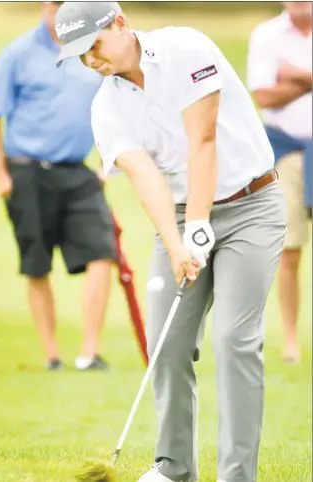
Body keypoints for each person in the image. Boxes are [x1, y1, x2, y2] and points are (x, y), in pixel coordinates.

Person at [55, 2, 287, 482]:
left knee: (233, 340)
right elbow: (145, 178)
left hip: (251, 204)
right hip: (179, 214)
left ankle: (237, 474)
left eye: (93, 45)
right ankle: (174, 468)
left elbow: (202, 139)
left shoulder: (186, 48)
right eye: (79, 56)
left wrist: (202, 220)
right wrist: (179, 242)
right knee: (167, 342)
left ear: (119, 24)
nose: (90, 60)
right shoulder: (106, 106)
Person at [0, 1, 118, 372]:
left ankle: (89, 353)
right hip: (28, 172)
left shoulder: (93, 47)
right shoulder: (19, 53)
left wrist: (110, 162)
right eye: (54, 3)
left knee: (103, 254)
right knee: (37, 265)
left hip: (79, 172)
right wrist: (1, 174)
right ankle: (53, 355)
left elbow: (117, 105)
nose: (58, 10)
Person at [247, 1, 312, 364]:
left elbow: (279, 88)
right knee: (289, 249)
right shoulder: (267, 35)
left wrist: (295, 76)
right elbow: (265, 96)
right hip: (286, 151)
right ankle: (290, 339)